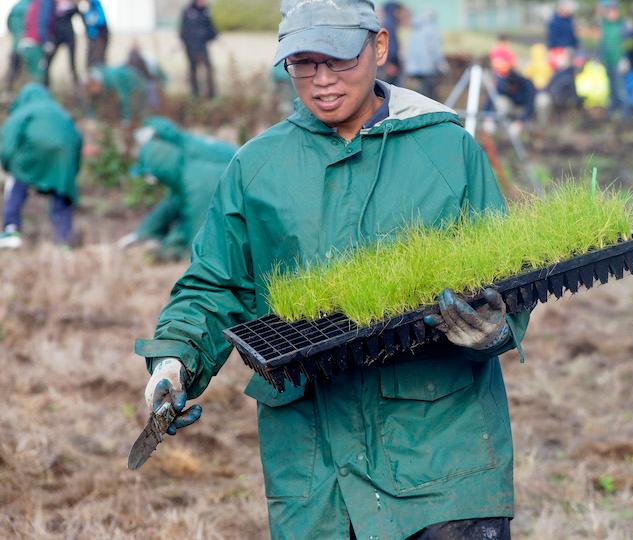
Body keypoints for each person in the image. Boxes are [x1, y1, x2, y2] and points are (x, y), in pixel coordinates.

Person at [136, 1, 532, 539]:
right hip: (315, 470)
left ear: (380, 47)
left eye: (339, 60)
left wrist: (493, 327)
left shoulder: (447, 148)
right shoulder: (258, 167)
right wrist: (174, 361)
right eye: (303, 64)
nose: (322, 81)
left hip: (441, 453)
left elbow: (506, 276)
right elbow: (215, 283)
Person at [119, 117, 237, 259]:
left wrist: (167, 250)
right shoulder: (183, 164)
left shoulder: (195, 169)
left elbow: (199, 231)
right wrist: (143, 232)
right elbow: (174, 201)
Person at [0, 83, 82, 249]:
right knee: (61, 195)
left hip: (32, 154)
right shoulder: (60, 112)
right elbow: (77, 139)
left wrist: (8, 166)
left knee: (16, 186)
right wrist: (70, 171)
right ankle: (64, 240)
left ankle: (11, 231)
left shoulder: (23, 111)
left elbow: (7, 143)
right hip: (64, 157)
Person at [404, 10, 447, 99]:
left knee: (419, 92)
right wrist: (441, 64)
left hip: (413, 68)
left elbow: (408, 48)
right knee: (429, 95)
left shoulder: (415, 29)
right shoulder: (431, 29)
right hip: (428, 67)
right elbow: (435, 49)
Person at [179, 0, 217, 99]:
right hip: (191, 46)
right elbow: (183, 30)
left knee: (208, 69)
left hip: (202, 45)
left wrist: (211, 36)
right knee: (193, 70)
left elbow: (211, 28)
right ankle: (195, 94)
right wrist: (185, 42)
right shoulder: (188, 11)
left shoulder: (206, 11)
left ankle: (211, 94)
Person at [598, 1, 627, 116]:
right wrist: (600, 58)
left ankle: (625, 112)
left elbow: (626, 43)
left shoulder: (622, 26)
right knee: (611, 87)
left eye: (614, 11)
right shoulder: (604, 25)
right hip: (608, 61)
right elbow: (602, 44)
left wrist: (625, 58)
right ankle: (613, 109)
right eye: (609, 11)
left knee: (621, 88)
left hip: (619, 61)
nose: (612, 13)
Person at [44, 0, 80, 88]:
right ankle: (45, 86)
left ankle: (76, 88)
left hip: (68, 35)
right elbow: (46, 20)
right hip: (55, 36)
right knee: (47, 62)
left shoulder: (71, 6)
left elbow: (80, 12)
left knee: (72, 64)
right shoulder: (50, 6)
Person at [19, 0, 55, 83]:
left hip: (26, 42)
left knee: (31, 74)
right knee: (38, 75)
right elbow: (43, 21)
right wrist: (45, 41)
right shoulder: (46, 2)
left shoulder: (34, 2)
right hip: (35, 42)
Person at [5, 0, 32, 93]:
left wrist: (14, 34)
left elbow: (8, 22)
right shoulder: (32, 5)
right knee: (26, 71)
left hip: (15, 48)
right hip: (27, 47)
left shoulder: (18, 5)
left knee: (12, 71)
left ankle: (8, 90)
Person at [379, 2, 407, 85]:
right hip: (391, 64)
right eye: (399, 11)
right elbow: (390, 46)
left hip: (390, 63)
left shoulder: (390, 23)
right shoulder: (389, 25)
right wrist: (389, 63)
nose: (400, 14)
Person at [79, 0, 109, 69]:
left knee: (99, 58)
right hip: (92, 36)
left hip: (100, 35)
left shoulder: (95, 3)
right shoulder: (83, 6)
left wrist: (91, 19)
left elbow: (101, 20)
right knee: (90, 59)